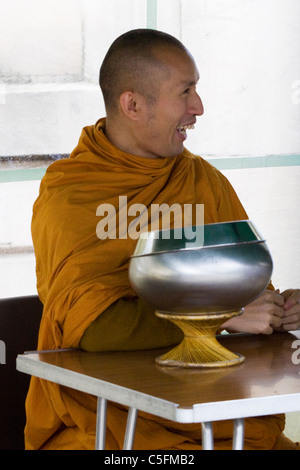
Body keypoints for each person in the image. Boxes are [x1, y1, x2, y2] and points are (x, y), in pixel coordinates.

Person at [25, 29, 300, 450]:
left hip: (211, 410)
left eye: (197, 89)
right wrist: (224, 315)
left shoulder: (201, 179)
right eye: (185, 91)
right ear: (132, 104)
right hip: (105, 423)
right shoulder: (71, 194)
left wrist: (282, 312)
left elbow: (247, 292)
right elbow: (93, 329)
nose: (199, 108)